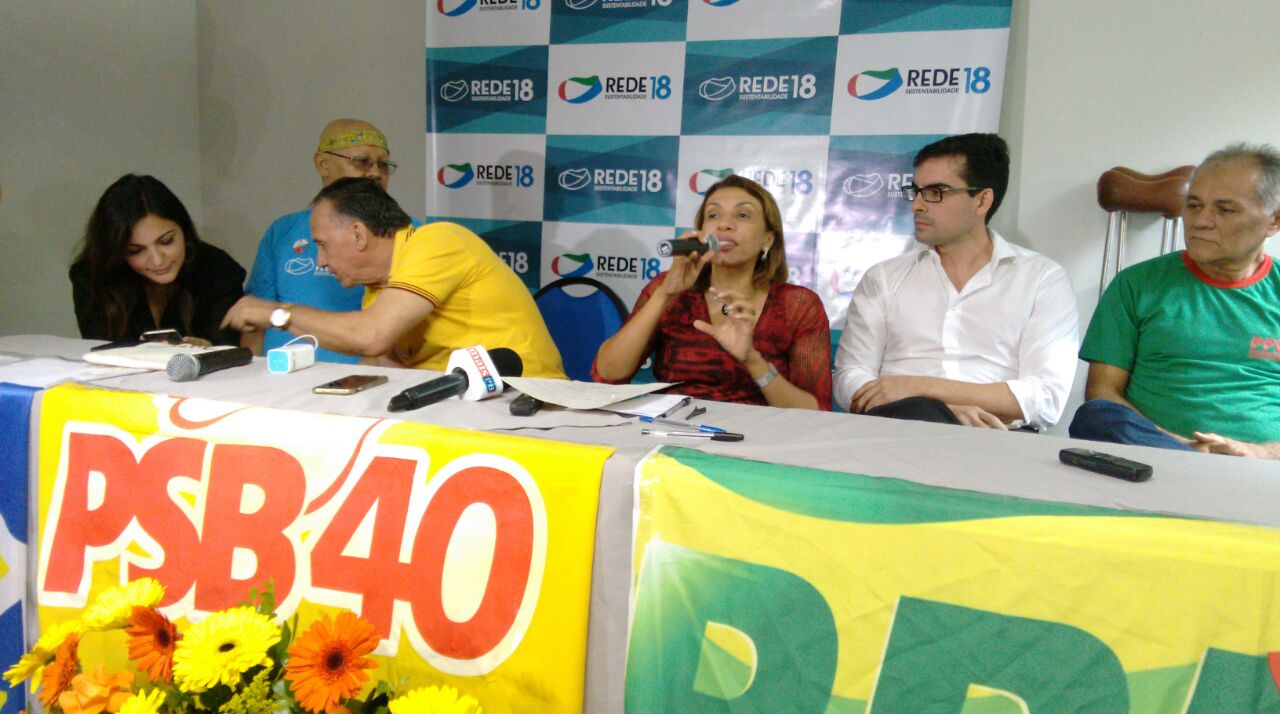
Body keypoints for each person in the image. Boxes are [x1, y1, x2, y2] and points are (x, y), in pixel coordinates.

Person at [833, 133, 1078, 429]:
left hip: (996, 438)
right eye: (917, 191)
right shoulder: (884, 277)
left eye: (935, 192)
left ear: (982, 200)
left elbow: (1046, 398)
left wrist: (919, 388)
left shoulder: (1041, 279)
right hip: (896, 428)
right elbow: (848, 378)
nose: (917, 205)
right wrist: (940, 411)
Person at [221, 178, 564, 377]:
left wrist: (277, 314)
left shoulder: (438, 241)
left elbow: (370, 336)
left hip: (527, 406)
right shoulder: (378, 288)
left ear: (359, 234)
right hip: (462, 409)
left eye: (322, 245)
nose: (321, 261)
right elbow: (381, 361)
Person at [1070, 143, 1280, 458]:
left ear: (1274, 221)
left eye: (1225, 210)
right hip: (1153, 458)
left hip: (1261, 468)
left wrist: (1258, 453)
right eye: (1194, 206)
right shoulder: (1136, 285)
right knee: (1096, 416)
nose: (1201, 221)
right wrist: (1179, 447)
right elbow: (1102, 392)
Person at [592, 175, 831, 410]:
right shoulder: (666, 287)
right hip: (673, 425)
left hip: (756, 432)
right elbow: (607, 374)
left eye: (742, 215)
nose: (724, 224)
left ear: (767, 239)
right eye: (713, 215)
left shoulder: (798, 304)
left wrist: (753, 361)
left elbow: (815, 411)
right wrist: (665, 294)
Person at [243, 119, 408, 363]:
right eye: (362, 161)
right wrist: (254, 372)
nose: (375, 172)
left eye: (383, 165)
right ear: (323, 164)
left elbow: (392, 336)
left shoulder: (409, 235)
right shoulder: (283, 230)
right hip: (278, 375)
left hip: (361, 379)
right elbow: (255, 321)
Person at [70, 174, 245, 346]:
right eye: (136, 251)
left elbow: (229, 349)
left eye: (166, 241)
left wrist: (210, 350)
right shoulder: (93, 276)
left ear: (184, 230)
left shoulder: (218, 269)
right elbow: (102, 349)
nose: (157, 260)